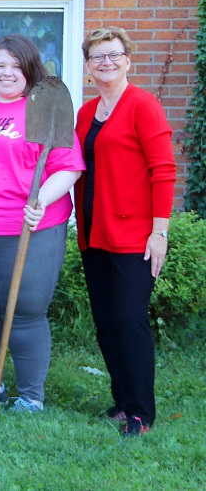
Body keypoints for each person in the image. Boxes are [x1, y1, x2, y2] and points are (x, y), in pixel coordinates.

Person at [0, 34, 84, 413]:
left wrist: (40, 201)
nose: (6, 73)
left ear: (29, 71)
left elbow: (68, 168)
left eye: (15, 66)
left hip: (25, 228)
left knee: (24, 311)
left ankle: (30, 396)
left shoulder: (45, 112)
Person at [74, 27, 176, 437]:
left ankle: (141, 412)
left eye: (114, 55)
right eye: (98, 57)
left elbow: (163, 171)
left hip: (135, 235)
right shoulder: (86, 113)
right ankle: (120, 401)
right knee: (106, 321)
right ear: (88, 66)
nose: (106, 63)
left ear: (128, 61)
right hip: (94, 233)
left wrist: (160, 233)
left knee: (130, 319)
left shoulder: (143, 105)